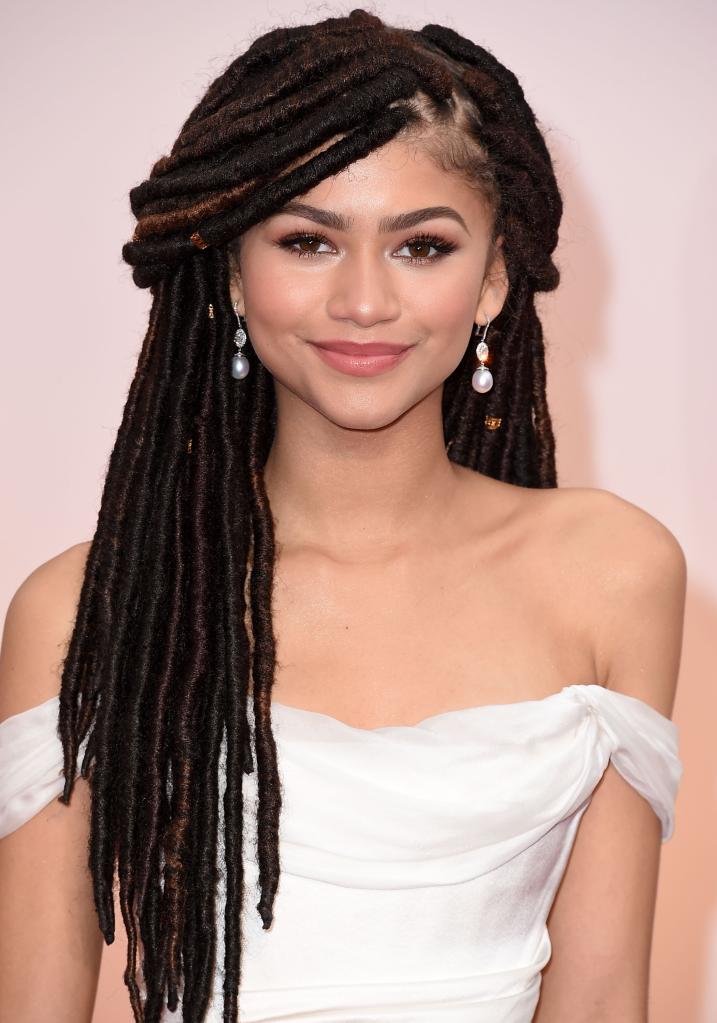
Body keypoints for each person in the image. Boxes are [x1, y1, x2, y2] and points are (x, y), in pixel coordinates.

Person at [0, 8, 686, 1023]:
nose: (364, 301)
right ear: (233, 271)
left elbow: (600, 1001)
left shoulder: (614, 572)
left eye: (422, 247)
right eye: (310, 240)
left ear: (495, 279)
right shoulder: (86, 609)